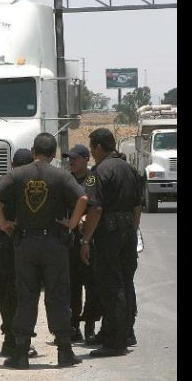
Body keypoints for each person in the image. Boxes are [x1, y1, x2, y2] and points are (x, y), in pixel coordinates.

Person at [0, 133, 87, 369]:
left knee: (26, 296)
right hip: (54, 244)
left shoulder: (17, 174)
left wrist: (3, 224)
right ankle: (64, 352)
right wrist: (73, 224)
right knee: (58, 296)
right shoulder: (62, 175)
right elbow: (83, 197)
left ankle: (21, 353)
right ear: (54, 154)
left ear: (33, 151)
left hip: (26, 244)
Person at [80, 128, 142, 357]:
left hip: (108, 234)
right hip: (127, 232)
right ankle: (118, 333)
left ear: (97, 147)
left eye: (91, 148)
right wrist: (132, 232)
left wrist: (86, 239)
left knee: (111, 286)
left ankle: (115, 342)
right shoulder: (130, 169)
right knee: (125, 283)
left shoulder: (99, 171)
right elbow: (137, 207)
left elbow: (96, 208)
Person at [0, 148, 38, 358]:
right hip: (18, 241)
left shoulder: (2, 181)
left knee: (3, 290)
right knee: (21, 291)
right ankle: (18, 339)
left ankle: (10, 338)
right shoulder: (28, 184)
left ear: (12, 165)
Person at [63, 144, 102, 343]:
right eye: (69, 158)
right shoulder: (66, 179)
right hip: (70, 240)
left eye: (76, 157)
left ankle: (90, 324)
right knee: (72, 285)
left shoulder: (93, 178)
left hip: (89, 239)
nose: (71, 161)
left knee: (92, 284)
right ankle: (73, 326)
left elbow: (96, 205)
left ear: (86, 158)